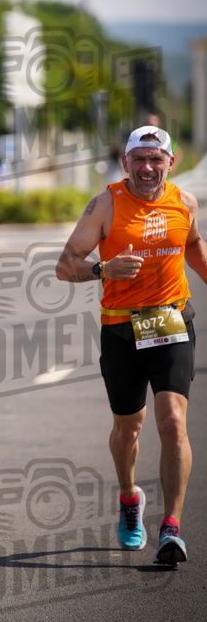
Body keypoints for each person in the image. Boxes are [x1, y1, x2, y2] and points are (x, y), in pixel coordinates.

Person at [56, 125, 207, 566]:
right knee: (128, 429)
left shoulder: (184, 203)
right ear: (125, 163)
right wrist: (104, 270)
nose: (147, 167)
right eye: (138, 158)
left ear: (170, 163)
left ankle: (172, 528)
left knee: (173, 423)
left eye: (156, 159)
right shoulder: (105, 204)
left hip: (172, 320)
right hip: (121, 329)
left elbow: (193, 245)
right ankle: (128, 498)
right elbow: (65, 266)